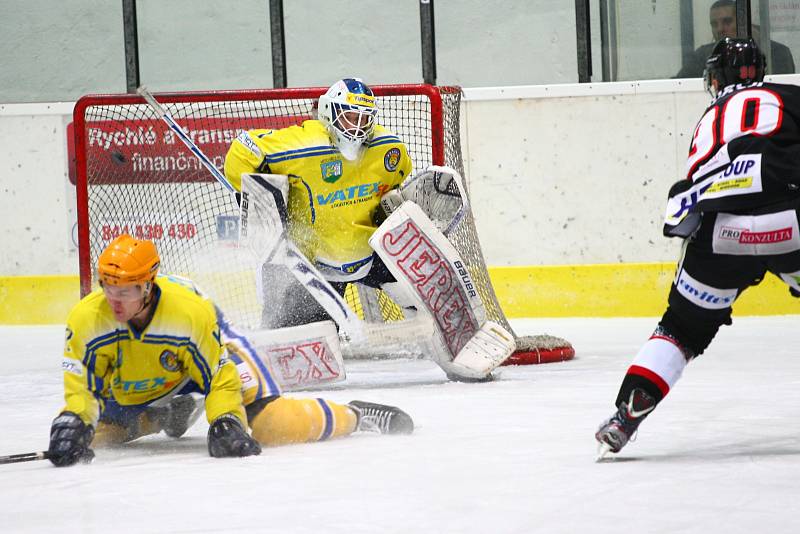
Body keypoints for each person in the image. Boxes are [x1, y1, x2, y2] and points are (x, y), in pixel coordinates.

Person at [596, 37, 800, 458]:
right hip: (791, 219)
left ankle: (626, 415)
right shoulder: (787, 97)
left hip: (722, 232)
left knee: (680, 329)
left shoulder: (709, 119)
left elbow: (688, 205)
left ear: (714, 79)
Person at [47, 234, 413, 467]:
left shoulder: (189, 313)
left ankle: (354, 415)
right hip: (143, 375)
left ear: (148, 285)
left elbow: (220, 379)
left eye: (125, 290)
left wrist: (228, 419)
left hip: (207, 356)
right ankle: (160, 415)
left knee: (268, 425)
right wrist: (73, 420)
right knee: (91, 436)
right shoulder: (86, 319)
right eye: (108, 287)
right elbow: (82, 386)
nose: (114, 299)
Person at [223, 77, 413, 330]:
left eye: (364, 118)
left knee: (426, 295)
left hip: (370, 255)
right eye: (350, 117)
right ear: (329, 112)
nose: (357, 127)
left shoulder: (388, 148)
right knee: (311, 343)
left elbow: (399, 181)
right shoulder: (304, 144)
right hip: (314, 266)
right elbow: (242, 150)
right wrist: (262, 203)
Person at [675, 0, 794, 78]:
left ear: (743, 22)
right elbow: (678, 84)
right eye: (714, 24)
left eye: (727, 22)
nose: (720, 29)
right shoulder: (704, 55)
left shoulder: (776, 52)